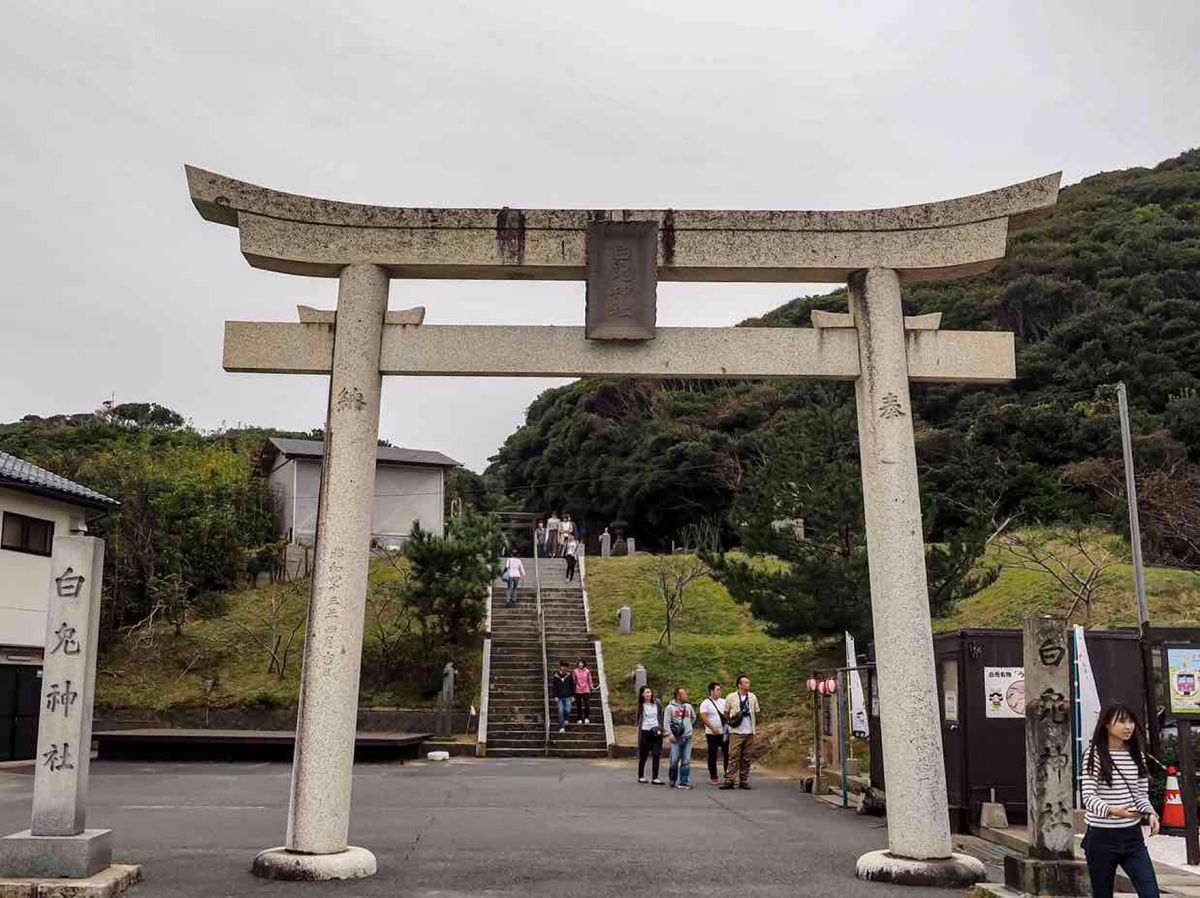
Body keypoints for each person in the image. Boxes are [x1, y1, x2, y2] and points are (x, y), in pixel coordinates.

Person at [1081, 702, 1161, 898]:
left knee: (1150, 893)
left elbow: (1140, 794)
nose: (1129, 727)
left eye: (1131, 721)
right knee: (1102, 894)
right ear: (1107, 724)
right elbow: (1088, 797)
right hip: (1101, 837)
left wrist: (1150, 813)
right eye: (1122, 722)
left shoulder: (1137, 756)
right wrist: (1112, 811)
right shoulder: (1094, 755)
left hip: (1132, 837)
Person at [720, 675, 760, 790]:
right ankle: (730, 779)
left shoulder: (752, 697)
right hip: (736, 731)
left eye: (749, 682)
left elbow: (756, 712)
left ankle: (744, 779)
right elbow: (726, 712)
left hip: (749, 731)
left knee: (746, 757)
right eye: (746, 682)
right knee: (733, 755)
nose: (748, 684)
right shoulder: (731, 697)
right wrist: (730, 724)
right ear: (740, 685)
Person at [665, 686, 696, 789]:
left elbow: (693, 717)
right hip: (676, 738)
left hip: (688, 737)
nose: (686, 696)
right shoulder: (670, 708)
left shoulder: (688, 707)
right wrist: (670, 734)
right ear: (678, 696)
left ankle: (684, 781)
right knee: (674, 760)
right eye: (684, 694)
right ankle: (672, 779)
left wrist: (688, 727)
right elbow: (666, 722)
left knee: (686, 760)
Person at [699, 681, 729, 785]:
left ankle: (728, 775)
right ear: (711, 691)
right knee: (712, 754)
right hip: (711, 733)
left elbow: (728, 714)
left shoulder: (724, 701)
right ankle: (714, 776)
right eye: (717, 690)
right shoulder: (706, 703)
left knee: (727, 754)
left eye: (720, 690)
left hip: (724, 732)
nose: (719, 692)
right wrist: (712, 728)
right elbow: (703, 717)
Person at [636, 686, 665, 784]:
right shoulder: (641, 705)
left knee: (656, 754)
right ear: (642, 695)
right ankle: (641, 776)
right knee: (643, 754)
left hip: (656, 731)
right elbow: (638, 718)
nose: (648, 694)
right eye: (646, 693)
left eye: (649, 692)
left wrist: (661, 727)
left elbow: (661, 714)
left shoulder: (657, 703)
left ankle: (655, 777)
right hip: (645, 731)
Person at [551, 660, 574, 734]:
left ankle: (566, 718)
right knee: (560, 711)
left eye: (565, 667)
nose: (564, 668)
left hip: (568, 696)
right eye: (562, 666)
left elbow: (572, 686)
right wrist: (555, 696)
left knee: (567, 710)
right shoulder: (556, 676)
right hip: (560, 697)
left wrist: (573, 695)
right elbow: (554, 687)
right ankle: (562, 727)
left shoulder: (569, 676)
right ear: (560, 667)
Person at [572, 658, 594, 724]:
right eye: (579, 663)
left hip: (586, 689)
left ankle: (587, 717)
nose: (580, 664)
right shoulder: (575, 671)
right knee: (579, 705)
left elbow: (589, 680)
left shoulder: (587, 671)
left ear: (584, 664)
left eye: (582, 663)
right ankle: (579, 718)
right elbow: (573, 681)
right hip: (578, 690)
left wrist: (591, 687)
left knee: (587, 704)